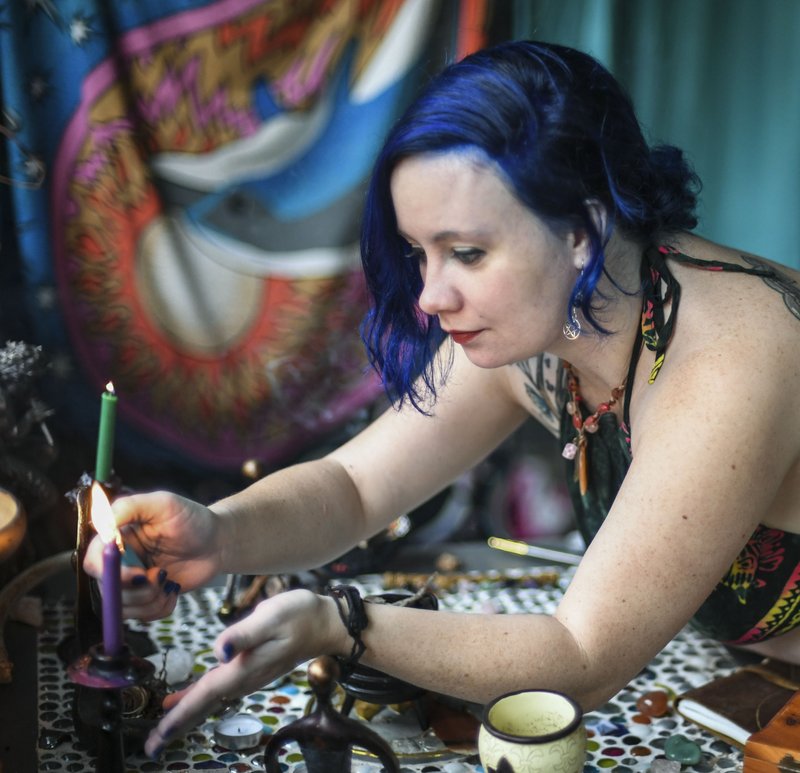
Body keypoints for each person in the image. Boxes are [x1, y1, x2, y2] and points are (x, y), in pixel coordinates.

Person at [85, 40, 800, 760]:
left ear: (581, 232)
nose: (430, 295)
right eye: (418, 253)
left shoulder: (728, 359)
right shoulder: (545, 325)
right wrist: (217, 532)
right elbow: (355, 486)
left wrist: (343, 623)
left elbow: (580, 657)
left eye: (466, 253)